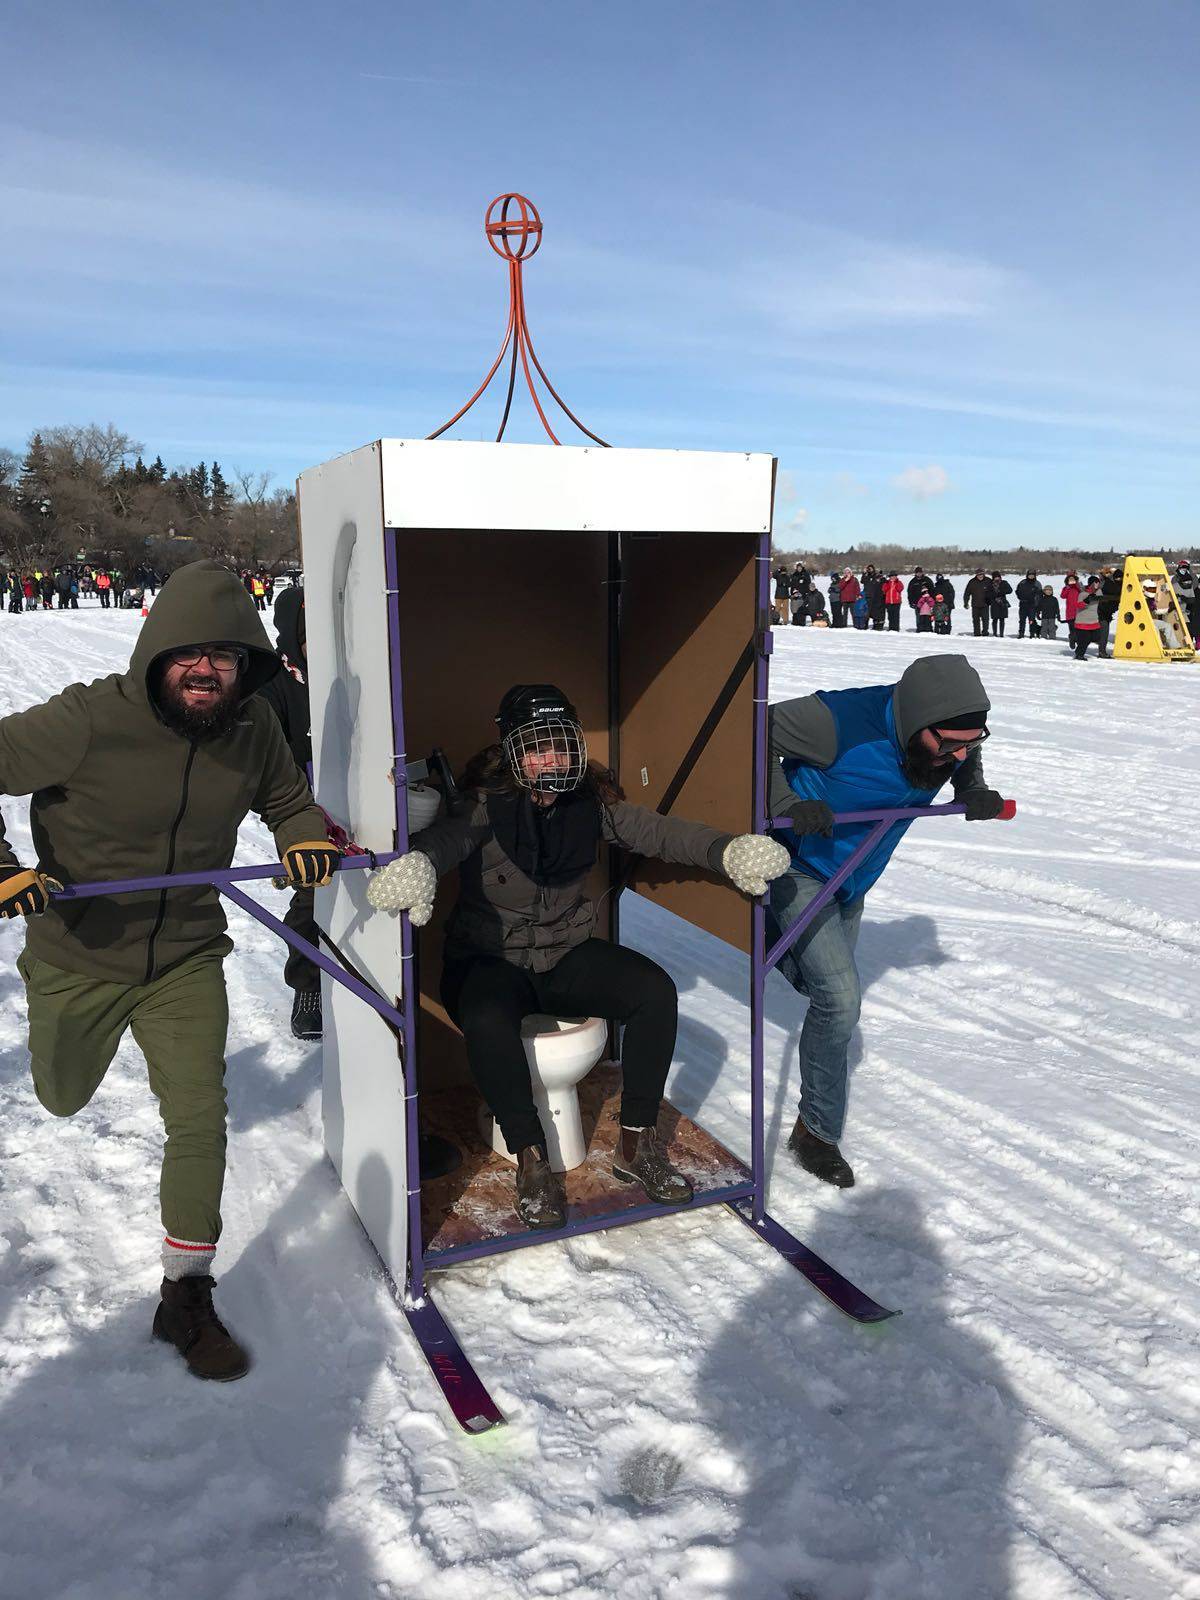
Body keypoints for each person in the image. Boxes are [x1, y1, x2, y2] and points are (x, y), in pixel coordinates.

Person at [0, 560, 336, 1381]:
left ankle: (185, 1292)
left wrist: (299, 834)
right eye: (192, 651)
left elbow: (287, 798)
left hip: (187, 953)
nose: (206, 669)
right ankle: (64, 1039)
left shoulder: (251, 727)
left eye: (226, 656)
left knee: (198, 1115)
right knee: (61, 1094)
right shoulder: (87, 720)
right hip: (78, 955)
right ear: (157, 649)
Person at [365, 684, 792, 1230]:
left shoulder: (589, 805)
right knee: (488, 1019)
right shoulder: (482, 807)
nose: (552, 761)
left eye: (561, 747)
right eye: (537, 748)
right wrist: (419, 865)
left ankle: (637, 1147)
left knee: (652, 991)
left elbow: (658, 832)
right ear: (513, 751)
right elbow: (447, 840)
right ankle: (531, 1160)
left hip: (563, 956)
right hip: (488, 961)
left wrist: (725, 849)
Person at [767, 656, 1005, 1187]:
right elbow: (749, 729)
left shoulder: (945, 735)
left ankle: (774, 937)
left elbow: (964, 746)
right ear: (916, 722)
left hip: (854, 876)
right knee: (840, 999)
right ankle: (817, 1133)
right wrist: (785, 799)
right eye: (948, 745)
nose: (959, 754)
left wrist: (970, 785)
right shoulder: (835, 723)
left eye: (971, 743)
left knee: (824, 989)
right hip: (798, 866)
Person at [1073, 579, 1102, 659]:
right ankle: (1079, 655)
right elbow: (1078, 605)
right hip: (1083, 621)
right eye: (1095, 583)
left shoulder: (1098, 592)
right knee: (1084, 640)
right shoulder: (1082, 594)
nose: (1097, 585)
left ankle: (1074, 637)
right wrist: (1087, 600)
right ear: (1091, 583)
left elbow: (1102, 596)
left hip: (1094, 621)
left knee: (1097, 637)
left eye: (1098, 583)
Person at [1095, 566, 1121, 657]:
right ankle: (1102, 652)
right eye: (1106, 573)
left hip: (1107, 611)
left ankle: (1101, 650)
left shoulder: (1112, 582)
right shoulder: (1105, 583)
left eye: (1109, 573)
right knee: (1104, 632)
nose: (1108, 575)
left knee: (1102, 632)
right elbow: (1114, 590)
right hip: (1102, 611)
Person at [963, 569, 990, 637]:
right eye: (978, 575)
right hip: (975, 605)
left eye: (981, 574)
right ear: (976, 575)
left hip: (985, 604)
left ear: (983, 574)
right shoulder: (972, 582)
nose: (980, 576)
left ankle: (985, 632)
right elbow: (967, 593)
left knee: (985, 620)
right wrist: (966, 602)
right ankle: (977, 633)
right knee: (975, 620)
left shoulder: (988, 581)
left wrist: (991, 601)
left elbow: (993, 592)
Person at [1015, 571, 1041, 639]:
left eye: (1033, 575)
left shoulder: (1037, 583)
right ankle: (1021, 633)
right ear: (1027, 575)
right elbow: (1017, 591)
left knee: (1031, 620)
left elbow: (1040, 595)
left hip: (1032, 605)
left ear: (1035, 576)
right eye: (1030, 575)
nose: (1031, 576)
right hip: (1023, 604)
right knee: (1022, 620)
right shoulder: (1022, 582)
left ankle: (1032, 634)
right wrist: (1020, 597)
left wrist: (1038, 605)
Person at [1060, 572, 1083, 650]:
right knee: (1072, 628)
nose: (1071, 581)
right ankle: (1072, 639)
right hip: (1070, 612)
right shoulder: (1066, 588)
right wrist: (1067, 587)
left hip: (1079, 611)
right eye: (1070, 579)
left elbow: (1083, 592)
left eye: (1073, 579)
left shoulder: (1078, 587)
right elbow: (1062, 596)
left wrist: (1077, 585)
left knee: (1079, 629)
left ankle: (1077, 640)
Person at [988, 572, 1012, 637]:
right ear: (993, 578)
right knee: (994, 619)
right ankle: (995, 633)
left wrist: (1001, 592)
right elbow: (988, 594)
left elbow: (1010, 590)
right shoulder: (990, 584)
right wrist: (994, 595)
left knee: (1002, 619)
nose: (997, 578)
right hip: (994, 603)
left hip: (1003, 603)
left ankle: (1001, 634)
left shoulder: (1004, 583)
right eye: (995, 577)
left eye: (998, 576)